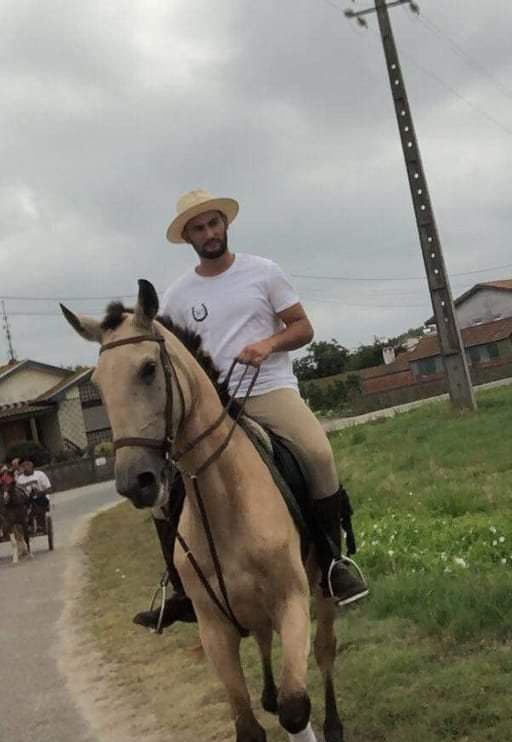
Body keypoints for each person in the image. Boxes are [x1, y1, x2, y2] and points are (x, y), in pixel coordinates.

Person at [133, 189, 367, 631]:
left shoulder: (264, 272)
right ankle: (179, 589)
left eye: (214, 223)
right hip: (209, 408)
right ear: (188, 238)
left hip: (269, 389)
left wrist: (269, 344)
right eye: (198, 228)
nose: (209, 233)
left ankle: (334, 564)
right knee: (164, 497)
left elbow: (303, 327)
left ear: (226, 225)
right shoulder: (178, 296)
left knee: (317, 455)